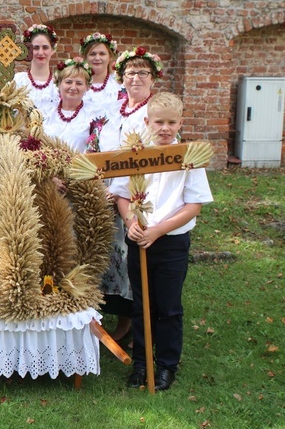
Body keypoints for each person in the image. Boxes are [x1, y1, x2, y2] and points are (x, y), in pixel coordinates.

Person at [110, 92, 213, 391]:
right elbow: (123, 196)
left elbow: (193, 205)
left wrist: (158, 230)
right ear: (147, 122)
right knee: (142, 304)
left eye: (171, 122)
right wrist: (131, 223)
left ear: (180, 122)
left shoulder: (189, 157)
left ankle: (166, 364)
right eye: (159, 122)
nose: (165, 128)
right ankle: (142, 363)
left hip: (171, 242)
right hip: (139, 239)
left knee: (168, 306)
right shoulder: (133, 155)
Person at [89, 46, 166, 345]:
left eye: (143, 72)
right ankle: (122, 318)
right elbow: (94, 150)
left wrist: (129, 190)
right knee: (113, 261)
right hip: (105, 196)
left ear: (153, 78)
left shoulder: (156, 114)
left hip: (139, 198)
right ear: (121, 77)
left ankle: (139, 323)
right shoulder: (110, 113)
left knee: (136, 260)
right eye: (130, 72)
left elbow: (164, 158)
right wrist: (98, 184)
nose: (136, 78)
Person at [13, 24, 60, 109]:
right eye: (36, 48)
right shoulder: (18, 81)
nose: (40, 53)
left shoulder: (59, 83)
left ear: (52, 50)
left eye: (45, 48)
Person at [80, 32, 122, 108]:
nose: (97, 58)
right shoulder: (77, 82)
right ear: (85, 58)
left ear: (110, 57)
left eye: (102, 54)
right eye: (92, 54)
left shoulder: (119, 84)